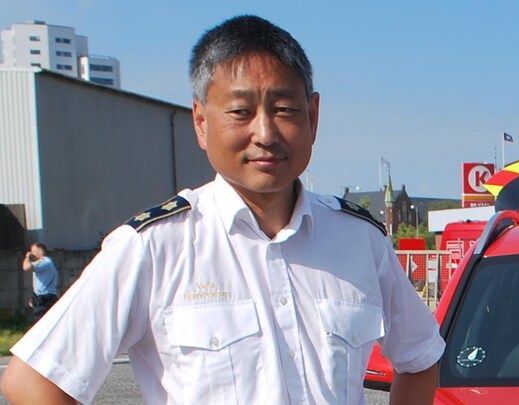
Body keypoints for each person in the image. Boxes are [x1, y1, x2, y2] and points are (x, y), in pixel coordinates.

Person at [1, 14, 445, 405]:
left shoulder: (360, 240)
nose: (265, 133)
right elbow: (32, 381)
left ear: (313, 115)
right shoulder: (154, 247)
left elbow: (420, 357)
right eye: (240, 111)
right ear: (201, 121)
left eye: (284, 109)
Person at [21, 242, 59, 322]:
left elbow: (26, 268)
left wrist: (27, 258)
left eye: (33, 251)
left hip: (45, 297)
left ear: (41, 251)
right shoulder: (44, 262)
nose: (31, 254)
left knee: (40, 320)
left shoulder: (44, 261)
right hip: (41, 296)